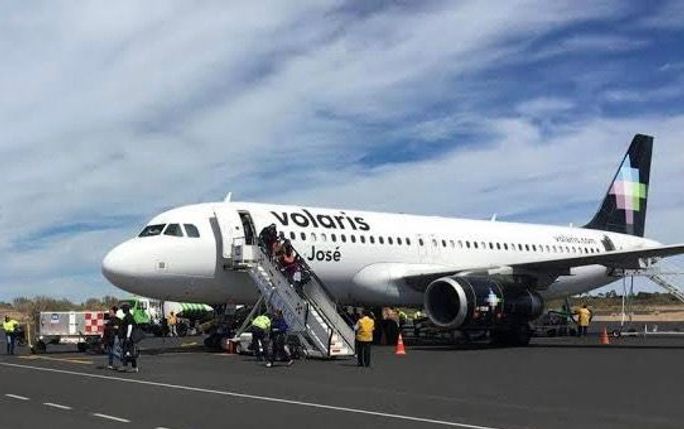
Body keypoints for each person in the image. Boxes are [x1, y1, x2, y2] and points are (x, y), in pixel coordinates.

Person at [118, 305, 139, 373]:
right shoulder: (127, 316)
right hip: (127, 337)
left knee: (130, 352)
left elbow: (130, 326)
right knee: (125, 351)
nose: (122, 310)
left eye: (123, 309)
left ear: (125, 309)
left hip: (128, 338)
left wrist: (128, 336)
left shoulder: (129, 316)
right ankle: (125, 366)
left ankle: (134, 367)